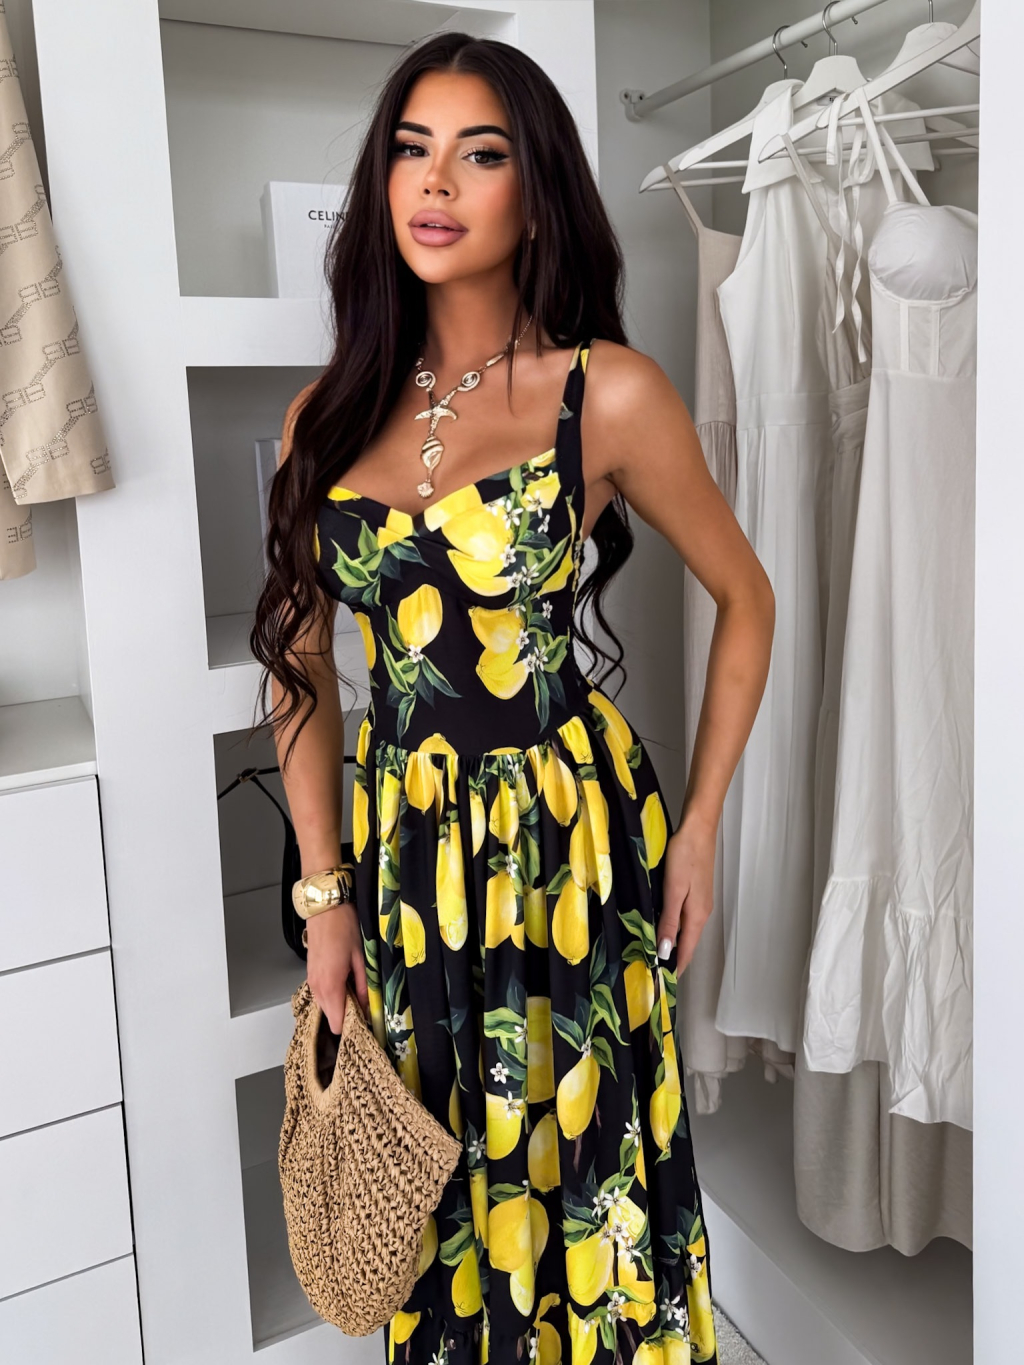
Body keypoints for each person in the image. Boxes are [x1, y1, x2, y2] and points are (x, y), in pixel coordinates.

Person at [252, 29, 773, 1365]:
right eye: (411, 151)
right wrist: (323, 893)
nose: (436, 183)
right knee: (440, 1171)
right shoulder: (326, 415)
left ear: (535, 195)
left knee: (580, 1155)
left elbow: (749, 598)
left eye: (479, 155)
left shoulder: (608, 394)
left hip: (569, 840)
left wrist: (701, 825)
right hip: (407, 855)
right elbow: (298, 665)